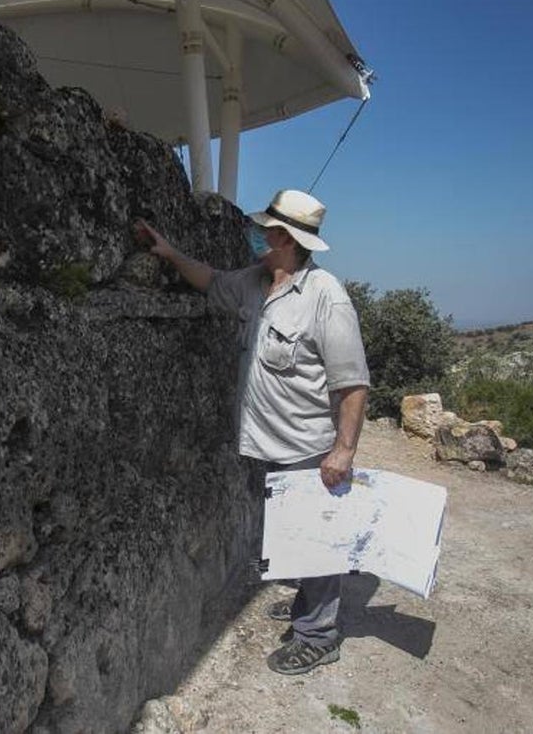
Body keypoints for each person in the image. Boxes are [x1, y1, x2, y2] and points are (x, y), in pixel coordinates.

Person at [135, 189, 370, 675]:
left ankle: (319, 635)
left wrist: (343, 451)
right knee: (291, 534)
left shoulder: (326, 296)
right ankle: (309, 603)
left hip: (305, 446)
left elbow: (352, 384)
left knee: (315, 539)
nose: (256, 234)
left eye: (265, 229)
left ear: (285, 239)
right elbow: (210, 280)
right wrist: (170, 253)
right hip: (263, 443)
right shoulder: (252, 282)